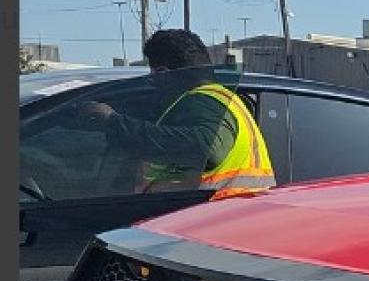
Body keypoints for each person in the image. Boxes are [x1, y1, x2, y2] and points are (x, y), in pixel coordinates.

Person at [78, 29, 275, 197]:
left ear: (164, 72)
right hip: (226, 219)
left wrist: (114, 122)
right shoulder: (222, 99)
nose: (152, 80)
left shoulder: (203, 101)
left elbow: (205, 149)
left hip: (212, 221)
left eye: (153, 73)